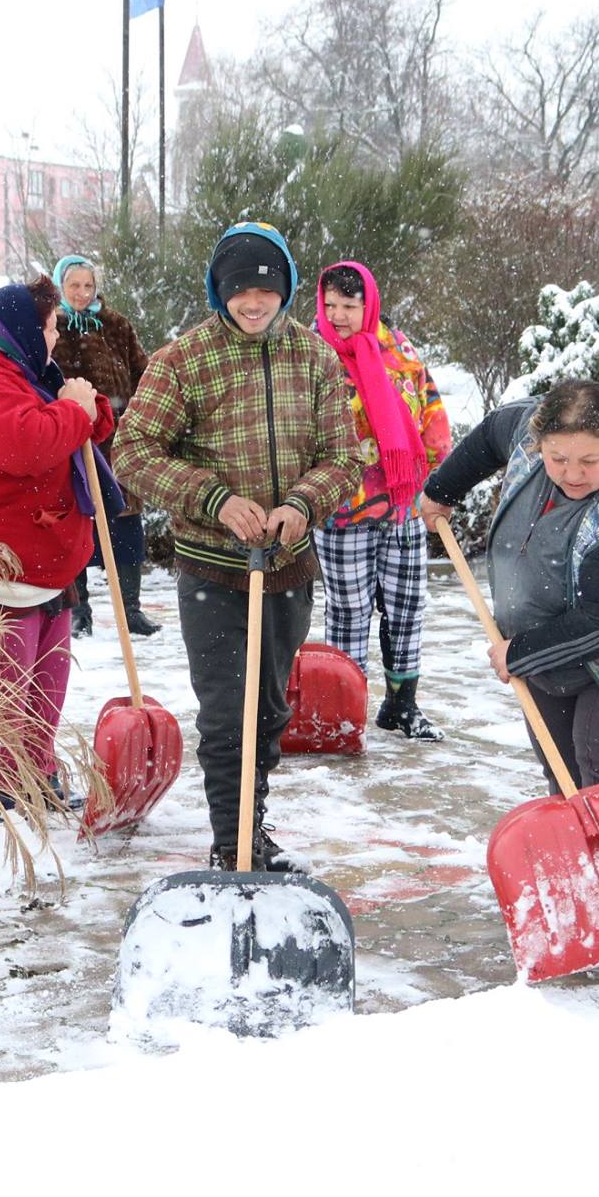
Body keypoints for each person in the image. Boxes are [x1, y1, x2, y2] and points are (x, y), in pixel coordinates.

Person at [114, 223, 364, 870]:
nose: (254, 303)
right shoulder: (184, 361)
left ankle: (254, 823)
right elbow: (133, 453)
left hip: (288, 566)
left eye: (266, 290)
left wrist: (303, 503)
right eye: (240, 292)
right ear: (218, 291)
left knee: (270, 709)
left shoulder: (315, 359)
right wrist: (215, 499)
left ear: (284, 287)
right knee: (229, 714)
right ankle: (234, 844)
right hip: (214, 570)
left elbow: (344, 456)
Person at [417, 379, 599, 792]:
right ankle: (575, 849)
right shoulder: (532, 431)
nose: (572, 474)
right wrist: (441, 489)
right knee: (561, 771)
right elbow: (491, 434)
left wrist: (520, 653)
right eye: (557, 458)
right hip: (550, 633)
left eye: (590, 460)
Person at [0, 275, 117, 811]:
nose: (56, 337)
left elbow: (80, 421)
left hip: (44, 565)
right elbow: (30, 444)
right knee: (3, 695)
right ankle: (0, 796)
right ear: (25, 331)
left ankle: (39, 776)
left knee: (45, 689)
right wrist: (75, 412)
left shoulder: (25, 372)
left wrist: (84, 408)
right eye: (51, 326)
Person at [311, 261, 452, 741]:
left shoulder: (398, 349)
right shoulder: (314, 354)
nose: (339, 316)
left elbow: (429, 405)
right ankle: (345, 710)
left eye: (349, 306)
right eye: (330, 306)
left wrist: (437, 474)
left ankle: (401, 703)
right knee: (349, 609)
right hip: (342, 507)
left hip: (402, 502)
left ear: (369, 304)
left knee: (406, 604)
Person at [49, 254, 160, 639]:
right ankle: (79, 611)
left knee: (127, 526)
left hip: (119, 441)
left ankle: (130, 610)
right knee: (79, 525)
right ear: (61, 286)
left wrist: (139, 416)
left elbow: (142, 373)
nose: (81, 293)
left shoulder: (115, 325)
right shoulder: (53, 327)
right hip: (73, 440)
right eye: (74, 286)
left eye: (88, 286)